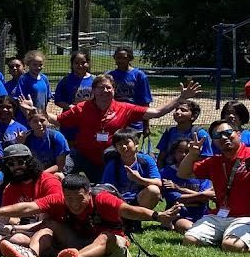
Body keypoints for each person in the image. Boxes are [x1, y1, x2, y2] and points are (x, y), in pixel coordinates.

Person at [0, 173, 178, 257]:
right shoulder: (60, 199)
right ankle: (32, 256)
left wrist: (157, 216)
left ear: (88, 193)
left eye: (79, 198)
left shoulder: (103, 199)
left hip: (112, 246)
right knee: (49, 224)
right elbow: (29, 207)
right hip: (78, 240)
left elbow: (130, 211)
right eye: (69, 199)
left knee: (105, 236)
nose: (74, 204)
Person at [45, 76, 201, 180]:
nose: (105, 91)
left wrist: (180, 99)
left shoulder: (124, 108)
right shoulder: (82, 108)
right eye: (100, 87)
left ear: (114, 90)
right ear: (93, 90)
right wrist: (38, 110)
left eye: (108, 88)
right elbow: (57, 120)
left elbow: (156, 113)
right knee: (61, 169)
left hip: (110, 160)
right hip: (83, 155)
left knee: (108, 173)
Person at [177, 119, 250, 251]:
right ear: (214, 141)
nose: (223, 137)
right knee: (190, 240)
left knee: (231, 246)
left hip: (246, 217)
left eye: (228, 133)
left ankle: (230, 238)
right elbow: (183, 173)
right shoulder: (214, 162)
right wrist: (192, 155)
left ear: (238, 134)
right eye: (217, 136)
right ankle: (225, 235)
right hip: (219, 216)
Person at [99, 130, 162, 208]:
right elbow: (106, 187)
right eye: (119, 144)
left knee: (154, 190)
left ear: (136, 144)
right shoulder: (113, 164)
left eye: (127, 143)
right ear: (116, 147)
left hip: (139, 197)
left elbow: (158, 182)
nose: (124, 147)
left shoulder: (146, 160)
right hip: (119, 200)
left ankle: (140, 215)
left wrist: (139, 179)